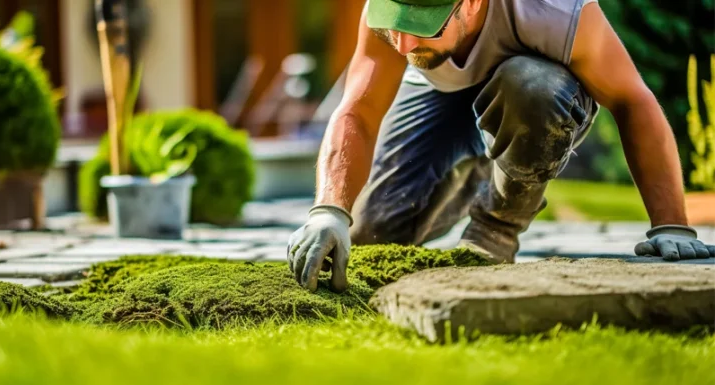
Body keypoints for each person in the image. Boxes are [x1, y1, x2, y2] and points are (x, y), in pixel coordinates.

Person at [287, 0, 715, 293]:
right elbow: (357, 112)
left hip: (537, 92)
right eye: (397, 25)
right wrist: (330, 210)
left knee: (532, 85)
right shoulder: (389, 17)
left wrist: (670, 225)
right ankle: (474, 173)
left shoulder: (555, 12)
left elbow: (631, 100)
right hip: (437, 95)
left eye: (421, 28)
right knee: (368, 237)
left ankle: (496, 227)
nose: (402, 44)